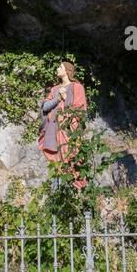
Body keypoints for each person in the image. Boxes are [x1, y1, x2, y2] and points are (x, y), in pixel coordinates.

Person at [38, 60, 87, 188]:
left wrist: (65, 114)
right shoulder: (55, 89)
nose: (57, 69)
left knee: (72, 158)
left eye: (60, 67)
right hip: (54, 131)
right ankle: (58, 194)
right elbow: (45, 107)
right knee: (57, 163)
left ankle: (77, 191)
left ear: (67, 70)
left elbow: (80, 110)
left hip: (69, 131)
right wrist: (58, 99)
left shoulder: (77, 87)